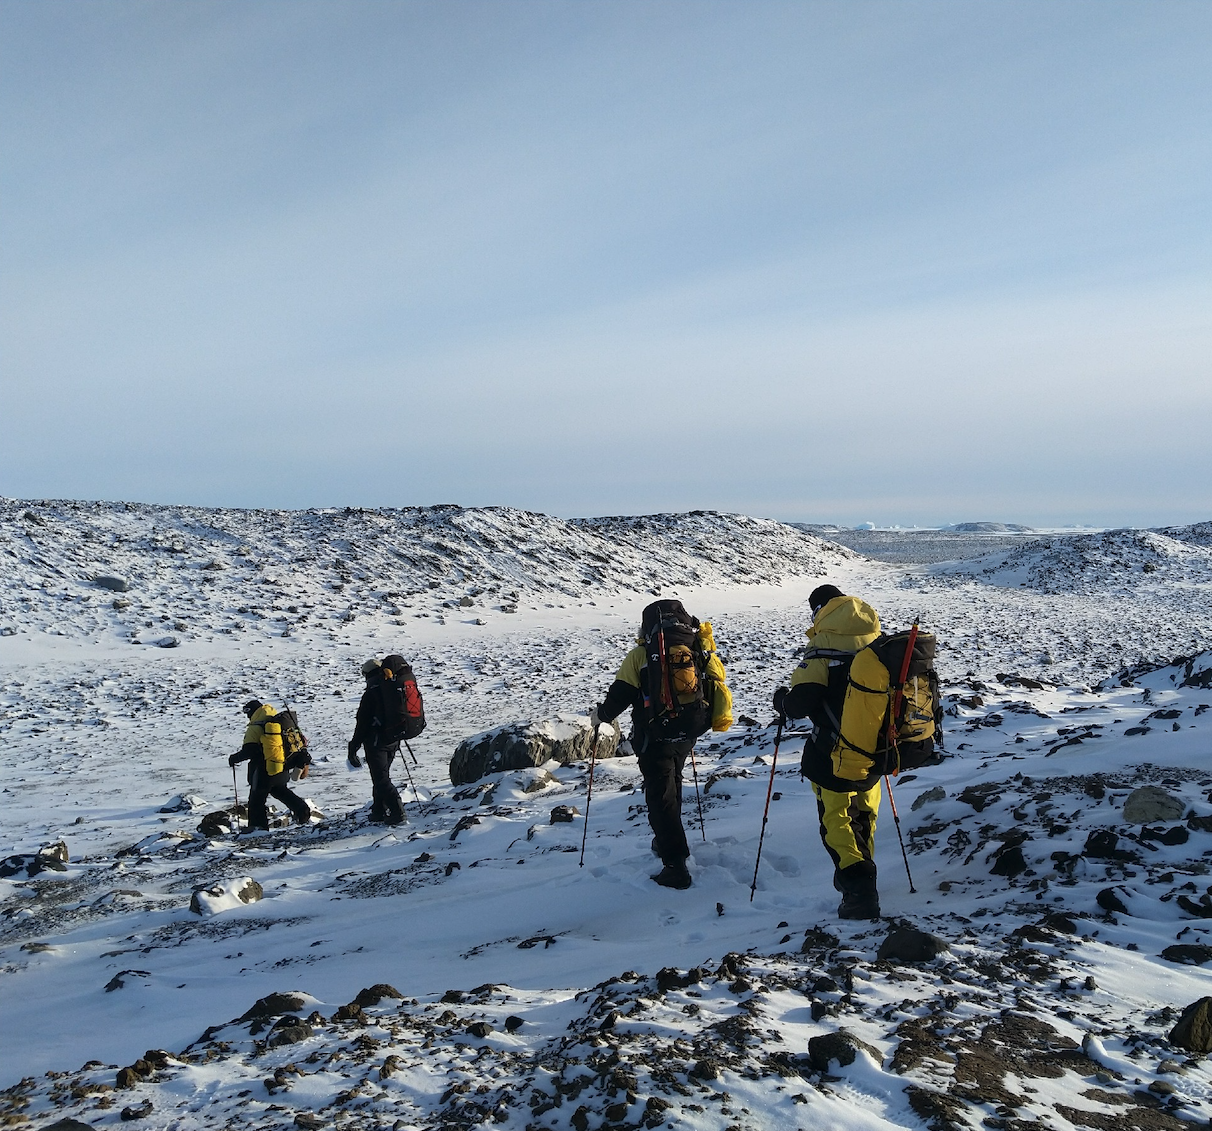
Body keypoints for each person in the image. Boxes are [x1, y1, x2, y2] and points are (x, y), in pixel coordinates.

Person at [591, 600, 733, 890]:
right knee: (672, 784)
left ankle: (675, 864)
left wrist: (600, 716)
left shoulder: (641, 655)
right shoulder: (696, 648)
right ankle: (670, 841)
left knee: (660, 796)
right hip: (687, 733)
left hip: (653, 736)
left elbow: (618, 697)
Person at [772, 584, 884, 920]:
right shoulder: (877, 641)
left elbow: (800, 703)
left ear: (820, 611)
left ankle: (860, 890)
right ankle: (863, 872)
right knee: (863, 816)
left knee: (835, 820)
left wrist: (781, 700)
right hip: (875, 751)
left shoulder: (822, 649)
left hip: (832, 754)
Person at [229, 699, 313, 830]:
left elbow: (249, 751)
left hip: (263, 771)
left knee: (256, 800)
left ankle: (257, 829)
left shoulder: (255, 726)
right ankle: (303, 811)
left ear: (251, 712)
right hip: (280, 766)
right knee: (280, 790)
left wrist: (234, 758)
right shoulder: (274, 720)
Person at [348, 658, 405, 825]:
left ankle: (397, 812)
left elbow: (363, 722)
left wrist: (354, 745)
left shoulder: (371, 692)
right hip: (393, 739)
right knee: (381, 775)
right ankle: (378, 810)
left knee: (380, 779)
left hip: (376, 742)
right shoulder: (392, 689)